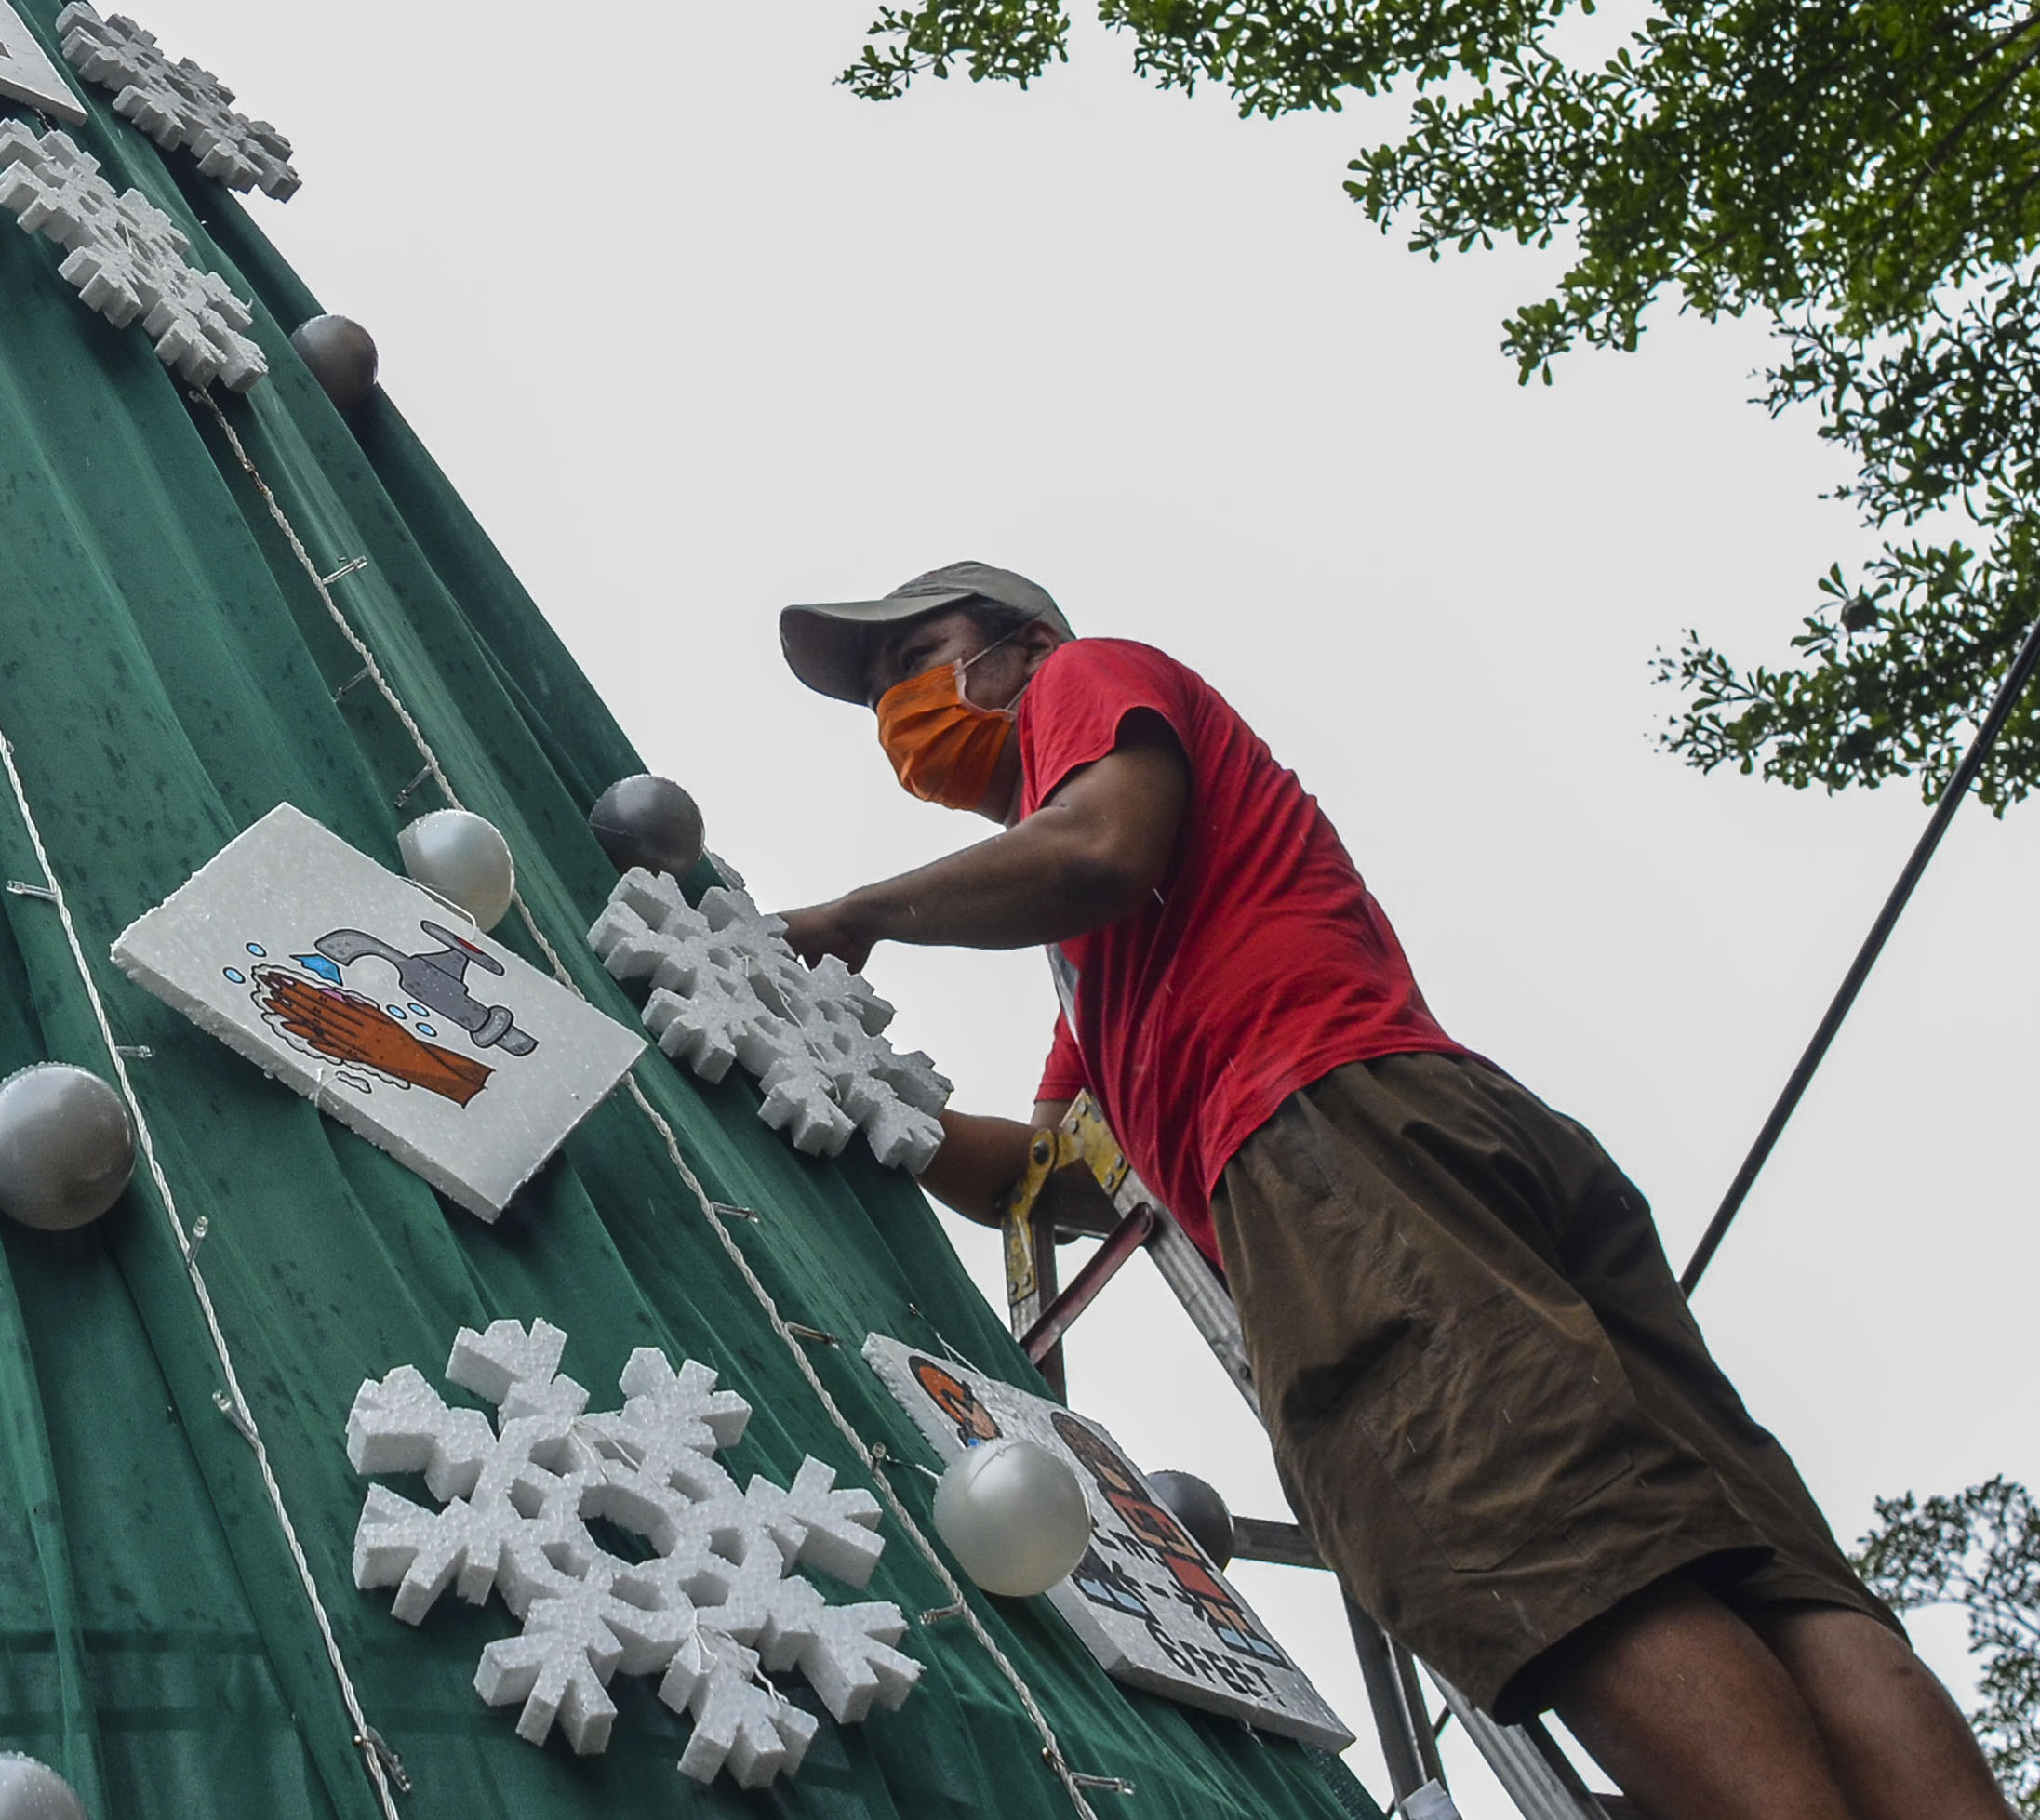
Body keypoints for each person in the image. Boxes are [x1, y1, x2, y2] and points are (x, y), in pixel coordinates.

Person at [767, 563, 2006, 1820]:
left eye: (916, 658)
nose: (901, 709)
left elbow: (1094, 847)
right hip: (1429, 1131)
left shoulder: (1084, 686)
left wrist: (860, 914)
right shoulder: (1100, 977)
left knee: (1538, 1523)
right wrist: (852, 1084)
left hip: (1330, 1147)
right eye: (879, 695)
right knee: (1768, 1569)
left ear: (1025, 643)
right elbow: (1045, 1179)